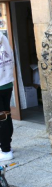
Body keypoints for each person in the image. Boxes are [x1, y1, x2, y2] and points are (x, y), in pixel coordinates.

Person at [0, 34, 14, 162]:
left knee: (1, 117)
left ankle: (5, 149)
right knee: (6, 114)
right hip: (7, 82)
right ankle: (7, 145)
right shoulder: (2, 37)